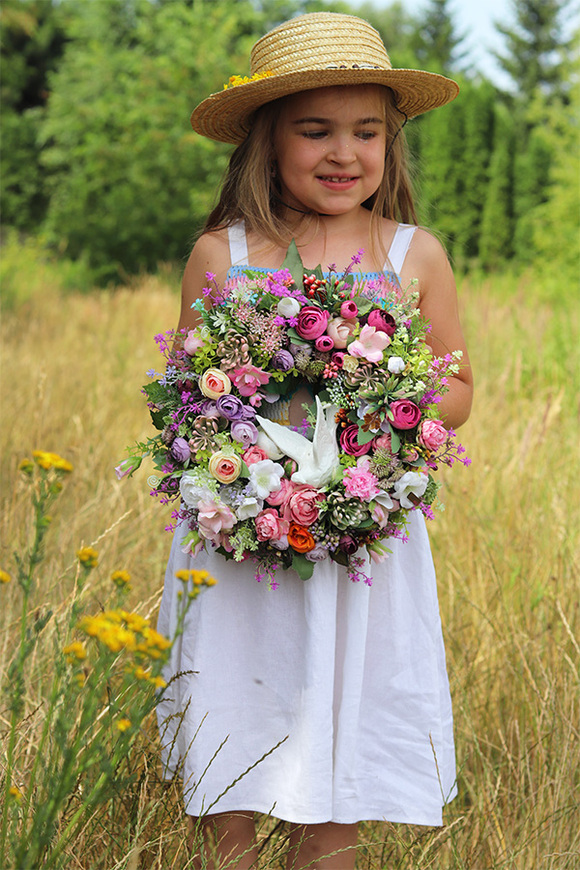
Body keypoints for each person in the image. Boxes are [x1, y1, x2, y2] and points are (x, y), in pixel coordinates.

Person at [156, 11, 473, 870]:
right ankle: (231, 851)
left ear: (391, 143)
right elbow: (185, 398)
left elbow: (459, 389)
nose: (345, 152)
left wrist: (382, 391)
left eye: (367, 131)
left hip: (360, 543)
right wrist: (241, 458)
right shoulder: (221, 254)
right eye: (316, 130)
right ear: (266, 140)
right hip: (242, 537)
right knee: (238, 712)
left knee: (343, 727)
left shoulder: (413, 254)